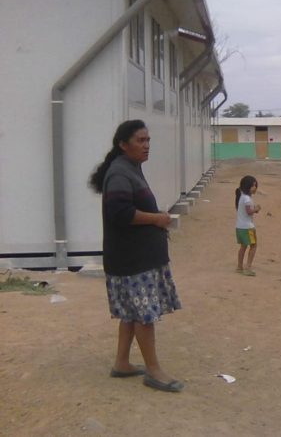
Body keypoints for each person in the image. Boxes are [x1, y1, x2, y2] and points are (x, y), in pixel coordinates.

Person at [89, 119, 183, 393]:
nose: (146, 145)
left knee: (131, 313)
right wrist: (156, 219)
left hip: (137, 258)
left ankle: (122, 363)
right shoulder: (120, 174)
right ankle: (154, 371)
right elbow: (120, 213)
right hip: (132, 261)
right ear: (123, 144)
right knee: (144, 315)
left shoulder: (129, 169)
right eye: (140, 140)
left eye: (148, 140)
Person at [235, 175, 260, 276]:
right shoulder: (247, 199)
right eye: (253, 186)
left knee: (243, 246)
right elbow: (249, 211)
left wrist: (254, 209)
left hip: (239, 227)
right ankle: (248, 267)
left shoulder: (242, 197)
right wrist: (256, 209)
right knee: (254, 246)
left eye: (255, 186)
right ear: (247, 186)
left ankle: (239, 267)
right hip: (248, 227)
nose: (255, 188)